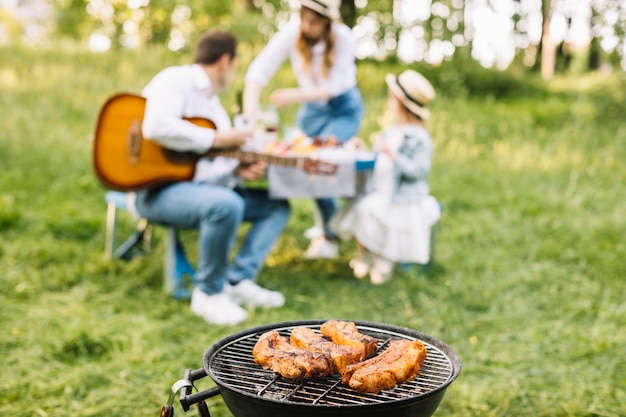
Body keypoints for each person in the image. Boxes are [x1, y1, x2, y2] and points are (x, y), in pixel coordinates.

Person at [135, 30, 291, 325]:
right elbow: (155, 127)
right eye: (234, 66)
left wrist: (236, 169)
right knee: (226, 204)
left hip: (200, 191)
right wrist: (217, 139)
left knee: (277, 206)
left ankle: (237, 281)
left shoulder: (215, 107)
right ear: (225, 61)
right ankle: (207, 293)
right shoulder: (176, 80)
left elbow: (205, 165)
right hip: (156, 191)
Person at [242, 0, 364, 260]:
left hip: (343, 105)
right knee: (310, 161)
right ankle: (331, 225)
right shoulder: (291, 33)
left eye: (314, 21)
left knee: (325, 159)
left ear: (327, 22)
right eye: (304, 19)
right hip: (312, 110)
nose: (307, 27)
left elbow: (335, 86)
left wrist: (296, 94)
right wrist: (250, 117)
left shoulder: (343, 37)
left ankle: (331, 234)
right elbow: (258, 72)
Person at [335, 69, 441, 284]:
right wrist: (364, 149)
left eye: (392, 100)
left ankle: (383, 259)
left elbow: (418, 171)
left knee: (373, 214)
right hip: (381, 190)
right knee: (360, 211)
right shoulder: (393, 131)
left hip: (402, 197)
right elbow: (378, 160)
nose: (389, 104)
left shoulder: (419, 137)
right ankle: (365, 253)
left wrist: (394, 156)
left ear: (402, 104)